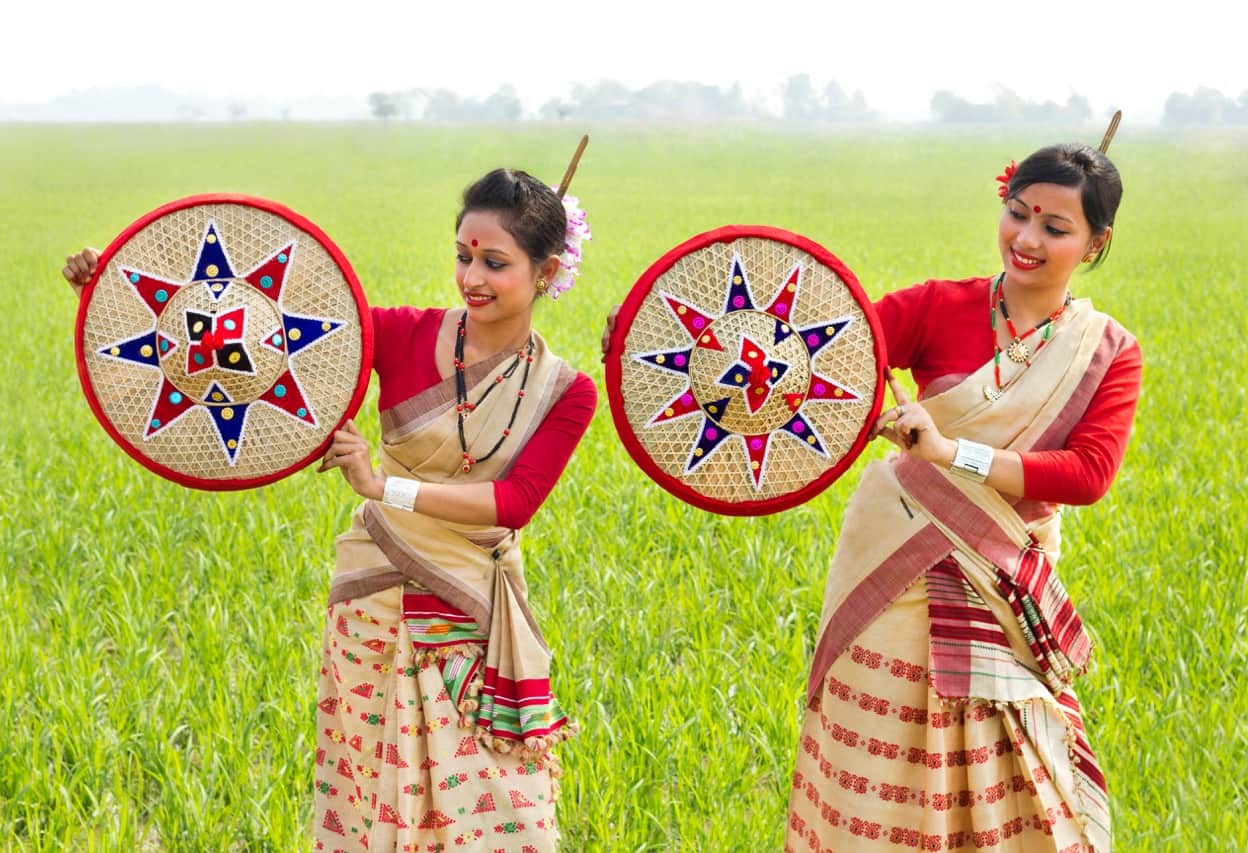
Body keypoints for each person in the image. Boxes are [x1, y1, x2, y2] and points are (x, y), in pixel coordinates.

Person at [601, 142, 1138, 852]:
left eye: (1055, 227)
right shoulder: (938, 307)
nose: (1027, 239)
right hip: (895, 570)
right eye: (1017, 214)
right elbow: (803, 356)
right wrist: (667, 337)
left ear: (1096, 243)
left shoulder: (1105, 351)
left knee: (1005, 758)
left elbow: (1087, 472)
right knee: (879, 762)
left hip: (1001, 579)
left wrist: (952, 453)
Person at [63, 167, 597, 852]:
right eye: (463, 254)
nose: (471, 276)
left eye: (495, 262)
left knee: (504, 812)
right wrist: (113, 287)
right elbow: (254, 341)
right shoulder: (400, 334)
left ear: (547, 270)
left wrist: (384, 487)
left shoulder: (565, 391)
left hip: (472, 608)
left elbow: (514, 501)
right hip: (372, 597)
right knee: (371, 789)